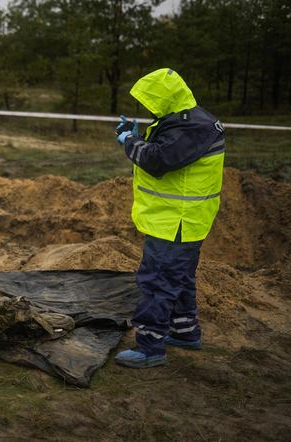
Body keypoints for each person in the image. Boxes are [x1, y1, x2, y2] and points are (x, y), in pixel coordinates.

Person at [114, 68, 225, 368]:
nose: (149, 109)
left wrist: (129, 142)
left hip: (175, 221)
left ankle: (150, 347)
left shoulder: (191, 129)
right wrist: (138, 139)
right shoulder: (189, 121)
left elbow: (157, 160)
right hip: (181, 220)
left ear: (166, 98)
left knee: (157, 282)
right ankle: (186, 333)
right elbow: (164, 149)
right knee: (179, 278)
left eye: (151, 102)